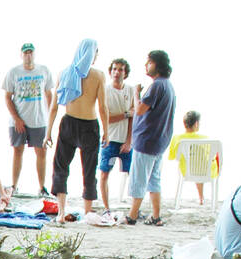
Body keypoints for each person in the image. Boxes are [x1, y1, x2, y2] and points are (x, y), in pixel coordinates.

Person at [45, 38, 109, 224]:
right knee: (89, 170)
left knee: (61, 167)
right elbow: (103, 107)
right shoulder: (98, 75)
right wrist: (107, 131)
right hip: (89, 125)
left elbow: (54, 107)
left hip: (69, 124)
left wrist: (48, 132)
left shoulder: (65, 73)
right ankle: (88, 212)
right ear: (91, 54)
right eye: (95, 53)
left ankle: (61, 212)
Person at [125, 50, 177, 226]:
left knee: (139, 178)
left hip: (147, 140)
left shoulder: (156, 86)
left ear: (158, 64)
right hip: (159, 141)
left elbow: (140, 110)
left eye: (149, 62)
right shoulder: (167, 85)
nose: (146, 66)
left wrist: (135, 93)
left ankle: (132, 215)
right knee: (154, 179)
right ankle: (156, 216)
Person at [2, 42, 54, 197]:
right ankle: (14, 185)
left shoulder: (44, 70)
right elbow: (7, 97)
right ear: (21, 54)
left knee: (41, 152)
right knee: (18, 151)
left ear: (34, 53)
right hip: (18, 119)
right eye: (25, 53)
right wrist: (16, 118)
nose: (28, 55)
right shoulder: (14, 72)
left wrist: (50, 114)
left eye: (30, 52)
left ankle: (42, 187)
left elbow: (49, 94)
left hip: (39, 119)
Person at [97, 58, 135, 213]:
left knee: (132, 174)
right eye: (114, 69)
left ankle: (133, 207)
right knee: (104, 173)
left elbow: (134, 116)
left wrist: (129, 140)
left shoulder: (130, 90)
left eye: (120, 69)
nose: (117, 72)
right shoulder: (105, 90)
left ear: (125, 73)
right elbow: (106, 117)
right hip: (110, 139)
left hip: (125, 140)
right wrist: (125, 114)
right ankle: (106, 207)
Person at [166, 110, 220, 205]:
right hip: (206, 172)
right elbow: (213, 156)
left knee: (194, 163)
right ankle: (201, 198)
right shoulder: (206, 138)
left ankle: (201, 198)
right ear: (196, 123)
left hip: (186, 171)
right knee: (202, 163)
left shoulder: (177, 138)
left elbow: (172, 157)